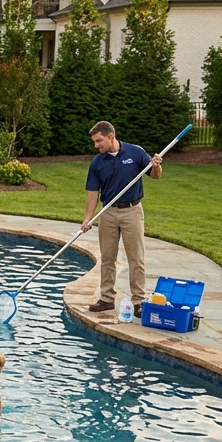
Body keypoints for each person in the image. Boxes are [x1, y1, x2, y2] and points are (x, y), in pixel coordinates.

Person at [80, 121, 163, 313]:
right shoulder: (97, 163)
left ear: (110, 136)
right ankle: (107, 298)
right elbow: (92, 192)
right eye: (94, 142)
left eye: (99, 141)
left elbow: (155, 175)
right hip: (108, 212)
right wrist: (87, 219)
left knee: (136, 258)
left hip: (132, 211)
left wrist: (156, 165)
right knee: (108, 258)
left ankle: (139, 302)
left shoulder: (135, 153)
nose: (96, 145)